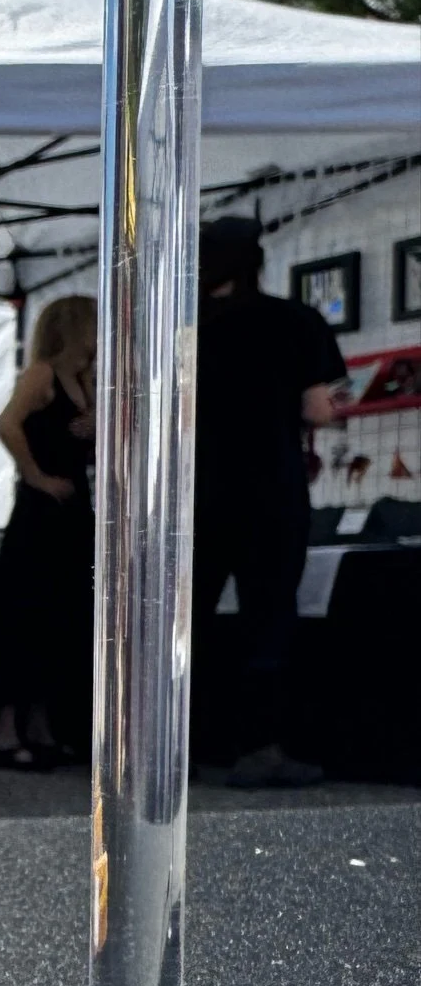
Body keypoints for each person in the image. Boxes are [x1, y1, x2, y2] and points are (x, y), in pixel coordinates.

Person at [195, 216, 345, 787]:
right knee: (267, 617)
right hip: (270, 491)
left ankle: (179, 748)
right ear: (257, 263)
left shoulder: (183, 328)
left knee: (186, 620)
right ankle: (258, 747)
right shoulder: (295, 321)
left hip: (194, 494)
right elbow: (318, 409)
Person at [0, 293, 97, 770]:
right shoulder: (42, 374)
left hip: (73, 511)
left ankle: (41, 727)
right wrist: (35, 476)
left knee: (60, 619)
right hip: (41, 512)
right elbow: (7, 424)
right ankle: (6, 731)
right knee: (25, 616)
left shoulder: (84, 380)